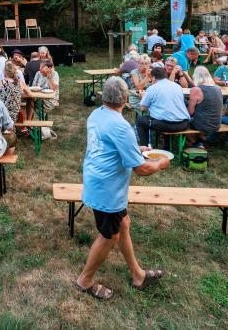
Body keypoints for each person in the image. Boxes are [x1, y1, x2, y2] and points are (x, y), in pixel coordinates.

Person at [75, 76, 168, 300]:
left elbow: (112, 145)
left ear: (103, 96)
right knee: (109, 236)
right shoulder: (121, 126)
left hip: (97, 179)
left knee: (124, 223)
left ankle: (138, 275)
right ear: (126, 99)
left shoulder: (96, 114)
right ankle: (84, 280)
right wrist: (161, 163)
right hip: (107, 189)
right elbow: (141, 169)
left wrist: (135, 147)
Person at [136, 63, 191, 148]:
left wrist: (144, 96)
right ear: (165, 76)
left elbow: (143, 108)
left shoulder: (152, 88)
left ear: (154, 78)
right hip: (183, 124)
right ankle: (167, 146)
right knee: (165, 114)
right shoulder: (177, 86)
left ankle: (145, 148)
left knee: (140, 121)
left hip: (164, 125)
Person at [186, 67, 222, 146]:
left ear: (196, 76)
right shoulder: (218, 88)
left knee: (181, 123)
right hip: (216, 124)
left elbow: (190, 113)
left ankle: (195, 142)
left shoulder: (196, 90)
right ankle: (202, 138)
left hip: (202, 124)